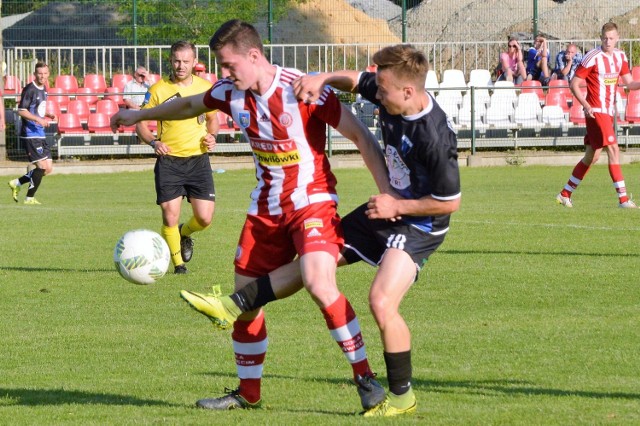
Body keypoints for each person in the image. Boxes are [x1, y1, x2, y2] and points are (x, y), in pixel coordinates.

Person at [110, 20, 392, 412]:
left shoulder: (302, 90)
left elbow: (361, 136)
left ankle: (365, 379)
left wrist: (389, 194)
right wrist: (140, 116)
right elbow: (190, 104)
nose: (223, 74)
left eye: (228, 66)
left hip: (311, 201)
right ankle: (248, 393)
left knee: (317, 280)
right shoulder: (230, 92)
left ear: (254, 56)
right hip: (264, 209)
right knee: (245, 304)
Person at [180, 44, 462, 417]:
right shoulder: (387, 86)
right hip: (385, 210)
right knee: (317, 264)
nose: (376, 94)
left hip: (419, 223)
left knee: (381, 301)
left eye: (384, 90)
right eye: (376, 86)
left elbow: (449, 202)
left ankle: (400, 397)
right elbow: (355, 80)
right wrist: (322, 78)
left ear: (408, 91)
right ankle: (233, 306)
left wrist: (397, 204)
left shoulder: (436, 138)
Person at [135, 41, 220, 274]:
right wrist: (154, 142)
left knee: (204, 219)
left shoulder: (206, 87)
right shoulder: (157, 90)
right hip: (169, 161)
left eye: (185, 61)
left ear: (194, 62)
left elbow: (213, 119)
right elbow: (140, 123)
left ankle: (185, 233)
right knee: (169, 214)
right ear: (170, 61)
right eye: (176, 61)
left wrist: (211, 136)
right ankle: (178, 266)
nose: (180, 66)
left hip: (198, 160)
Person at [556, 22, 640, 209]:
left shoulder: (620, 56)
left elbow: (629, 83)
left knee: (591, 156)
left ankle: (565, 193)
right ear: (600, 38)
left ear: (617, 38)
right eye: (605, 38)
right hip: (595, 111)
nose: (608, 42)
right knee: (614, 149)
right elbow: (574, 83)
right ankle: (623, 199)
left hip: (608, 112)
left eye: (611, 38)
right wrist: (586, 105)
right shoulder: (592, 57)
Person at [7, 62, 56, 205]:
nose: (42, 76)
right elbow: (22, 110)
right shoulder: (29, 89)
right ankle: (29, 198)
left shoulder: (44, 88)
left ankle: (17, 182)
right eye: (40, 73)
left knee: (47, 169)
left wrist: (48, 114)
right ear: (35, 74)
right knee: (41, 167)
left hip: (39, 133)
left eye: (45, 73)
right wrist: (38, 119)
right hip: (30, 134)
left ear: (48, 74)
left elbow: (36, 108)